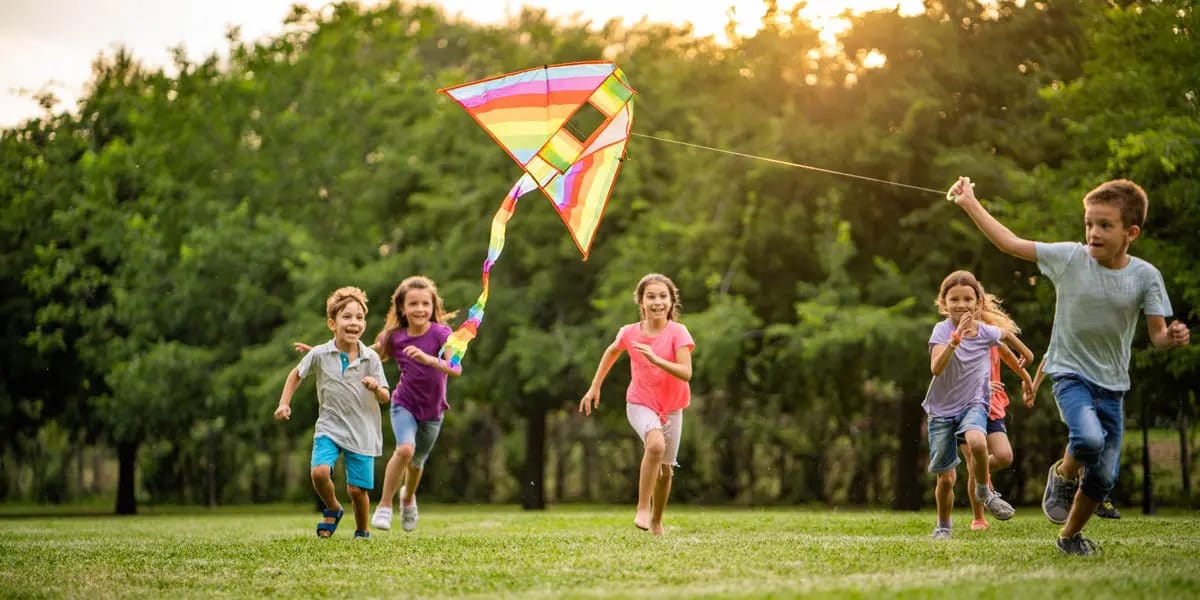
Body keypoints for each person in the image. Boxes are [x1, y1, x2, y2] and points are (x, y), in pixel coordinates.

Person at [949, 177, 1189, 555]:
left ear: (1131, 232)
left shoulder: (1145, 276)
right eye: (1089, 223)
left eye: (1104, 226)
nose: (1093, 232)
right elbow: (1009, 243)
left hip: (1113, 385)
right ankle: (1062, 475)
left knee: (1104, 475)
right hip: (1069, 373)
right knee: (1089, 439)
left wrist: (1171, 337)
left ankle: (1069, 536)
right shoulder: (1070, 258)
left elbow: (1157, 335)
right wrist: (970, 203)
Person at [579, 273, 694, 536]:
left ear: (671, 301)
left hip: (673, 406)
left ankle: (656, 520)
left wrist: (655, 359)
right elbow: (612, 351)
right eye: (651, 296)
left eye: (663, 296)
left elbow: (686, 372)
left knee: (665, 471)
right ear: (641, 302)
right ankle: (642, 508)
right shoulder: (629, 333)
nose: (657, 302)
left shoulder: (678, 332)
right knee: (654, 445)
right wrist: (595, 386)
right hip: (640, 402)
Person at [275, 286, 390, 539]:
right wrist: (284, 403)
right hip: (329, 426)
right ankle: (333, 508)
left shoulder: (370, 357)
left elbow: (385, 396)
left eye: (359, 317)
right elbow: (296, 374)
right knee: (319, 472)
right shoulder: (320, 353)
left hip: (362, 430)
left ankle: (362, 532)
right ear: (332, 323)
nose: (354, 322)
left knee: (357, 490)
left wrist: (375, 387)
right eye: (347, 317)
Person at [923, 270, 1031, 539]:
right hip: (942, 411)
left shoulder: (984, 331)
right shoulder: (941, 330)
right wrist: (954, 342)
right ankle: (943, 527)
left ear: (978, 302)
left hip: (974, 404)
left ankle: (983, 490)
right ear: (944, 303)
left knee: (978, 443)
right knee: (946, 479)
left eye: (968, 299)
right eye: (954, 299)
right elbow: (936, 368)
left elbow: (1005, 338)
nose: (961, 304)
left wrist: (1027, 357)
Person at [368, 275, 460, 533]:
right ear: (402, 308)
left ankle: (407, 500)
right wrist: (329, 353)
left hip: (433, 411)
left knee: (417, 463)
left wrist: (429, 359)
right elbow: (367, 353)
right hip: (403, 403)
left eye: (425, 304)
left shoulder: (443, 333)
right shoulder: (394, 337)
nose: (420, 309)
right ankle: (384, 506)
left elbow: (455, 368)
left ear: (433, 307)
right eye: (413, 304)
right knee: (405, 450)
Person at [964, 293, 1036, 531]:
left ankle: (981, 475)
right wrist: (982, 385)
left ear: (979, 306)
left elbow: (1006, 353)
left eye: (971, 302)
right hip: (964, 404)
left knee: (1004, 456)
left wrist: (1026, 379)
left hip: (992, 405)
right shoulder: (954, 336)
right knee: (974, 457)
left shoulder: (989, 332)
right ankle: (978, 518)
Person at [1027, 357, 1121, 519]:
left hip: (1099, 386)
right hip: (1072, 388)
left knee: (1099, 437)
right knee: (1086, 435)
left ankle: (1092, 493)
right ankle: (1071, 482)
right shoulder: (1067, 336)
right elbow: (1047, 358)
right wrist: (1034, 386)